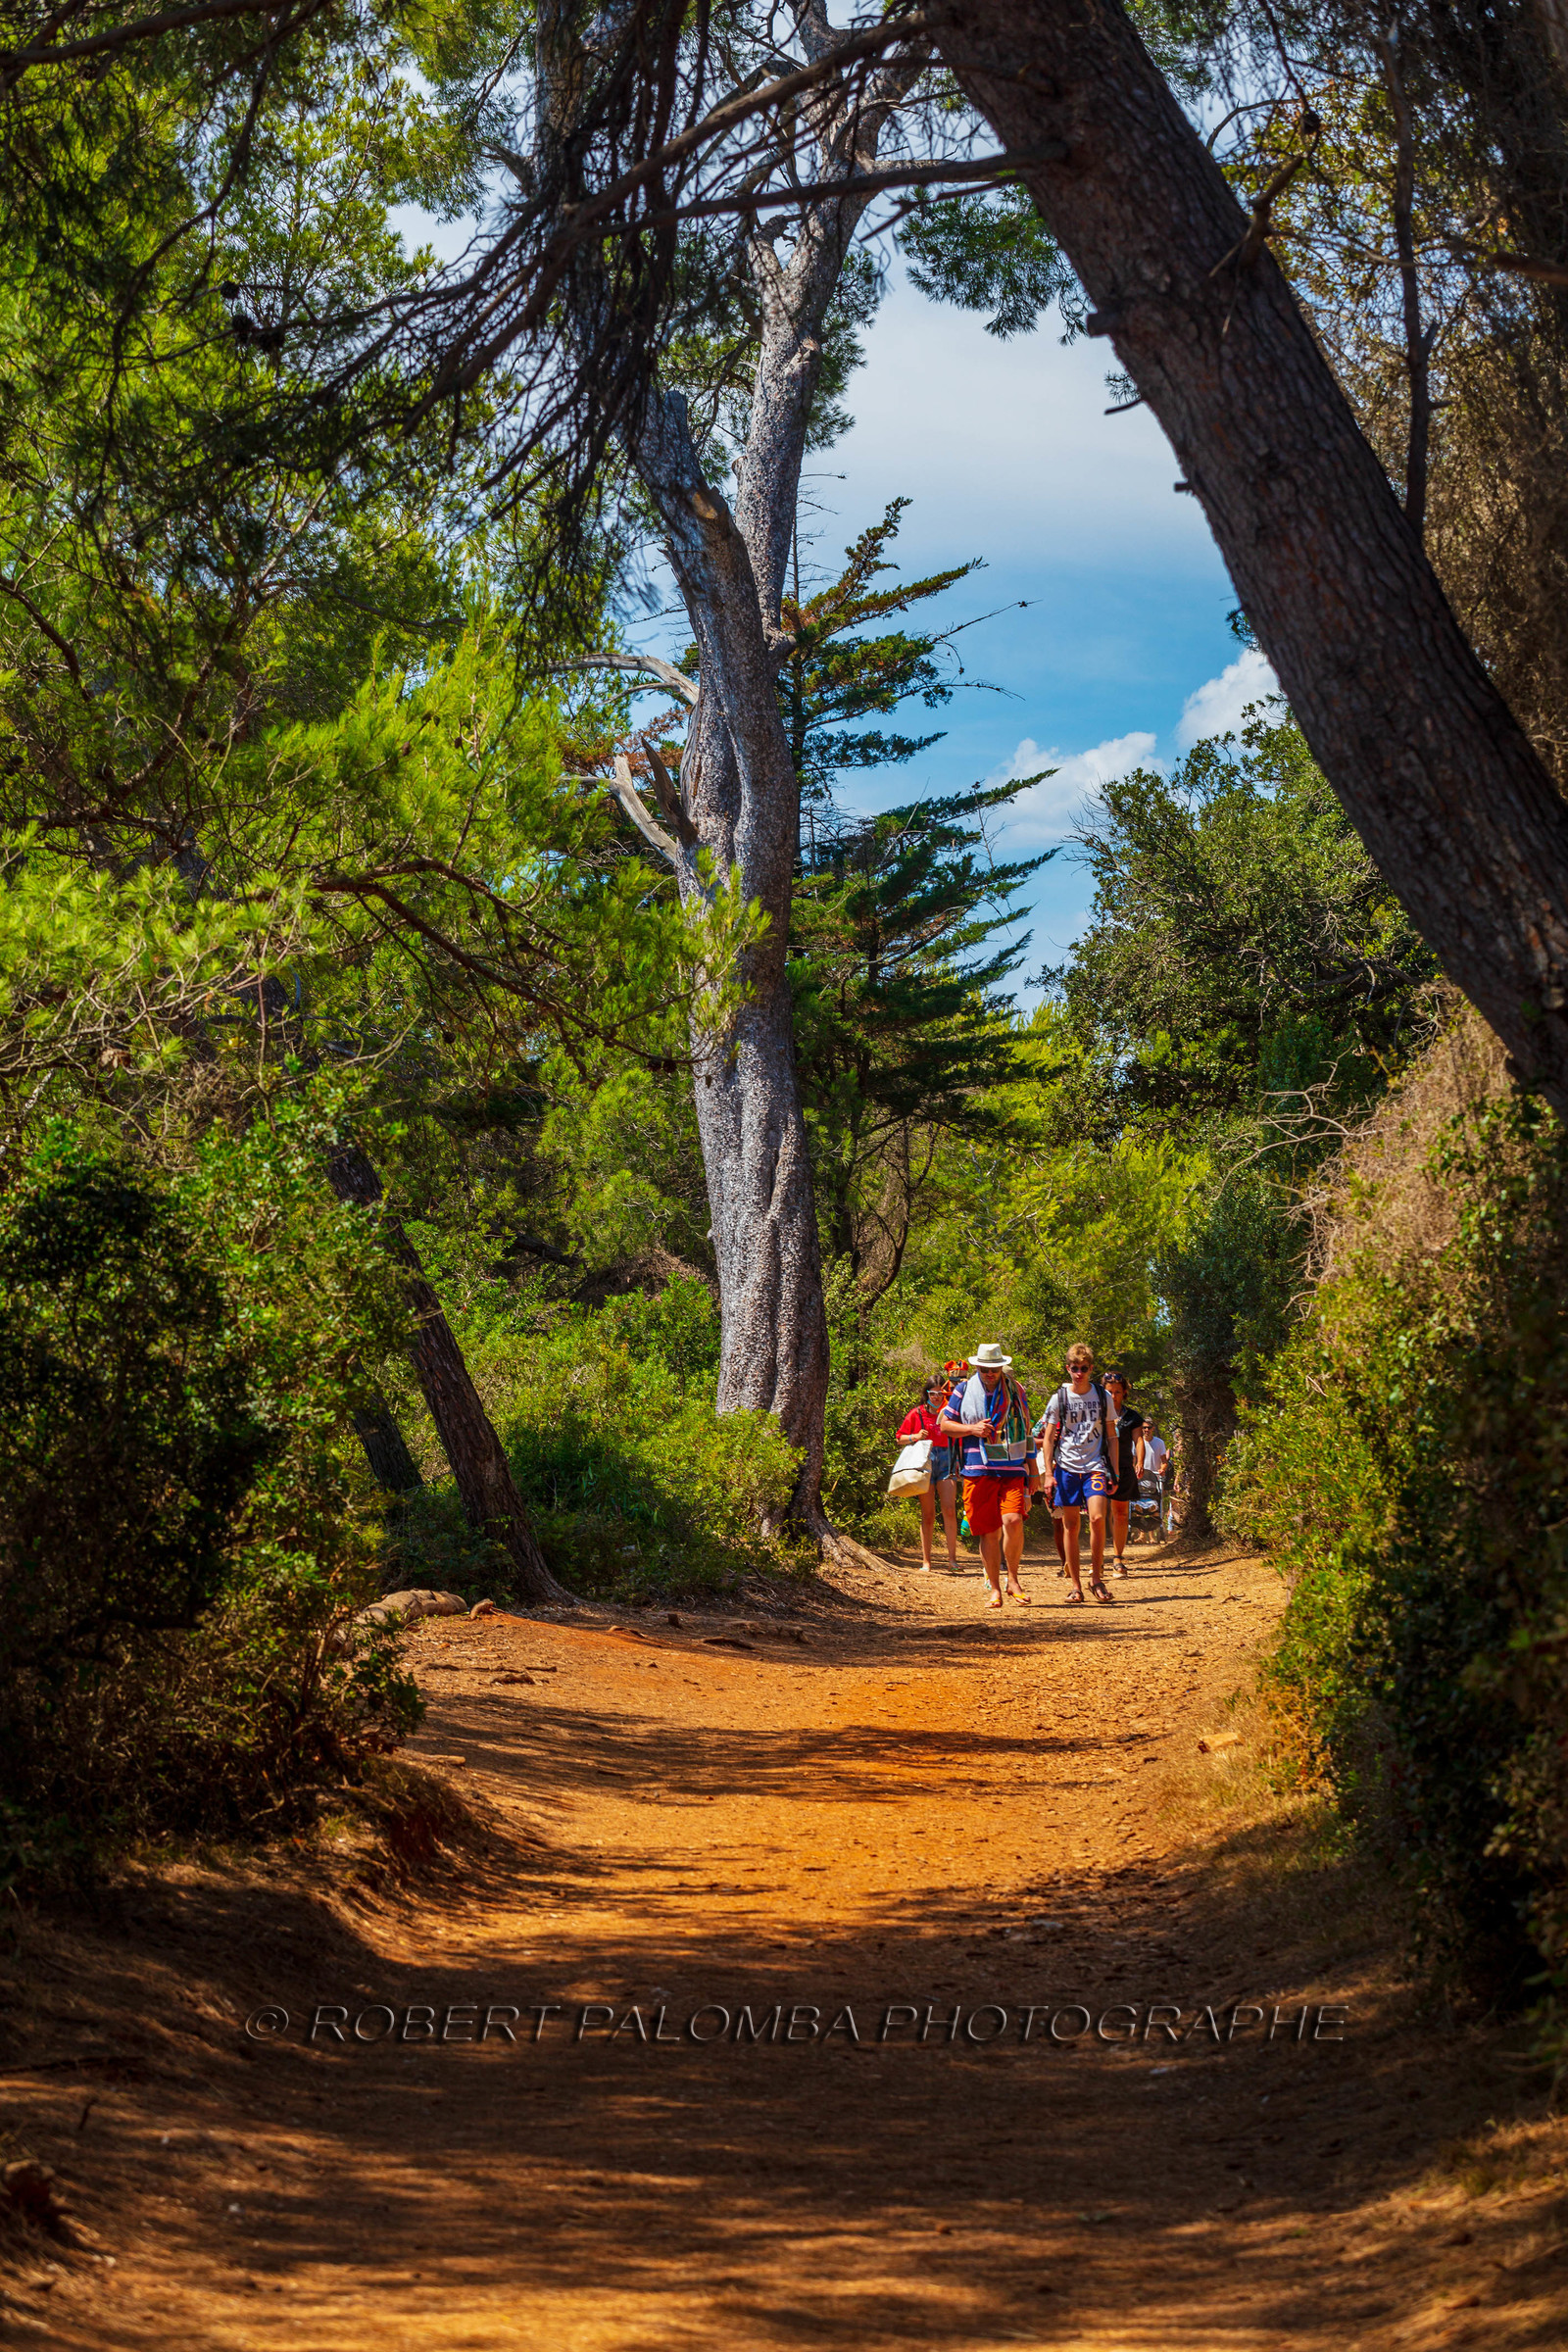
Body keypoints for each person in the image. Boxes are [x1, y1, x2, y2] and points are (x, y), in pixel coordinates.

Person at [939, 1343, 1037, 1609]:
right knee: (989, 1531)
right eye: (984, 1369)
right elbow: (945, 1425)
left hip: (1013, 1466)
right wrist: (971, 1429)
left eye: (994, 1369)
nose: (989, 1373)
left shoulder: (1016, 1391)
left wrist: (1034, 1470)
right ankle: (995, 1588)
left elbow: (1027, 1430)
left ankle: (1013, 1579)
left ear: (1001, 1367)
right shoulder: (963, 1389)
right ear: (977, 1367)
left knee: (1014, 1520)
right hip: (977, 1467)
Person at [1037, 1342, 1118, 1605]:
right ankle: (1075, 1585)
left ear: (1091, 1369)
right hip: (1067, 1467)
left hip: (1095, 1465)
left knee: (1097, 1518)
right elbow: (1048, 1438)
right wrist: (1048, 1473)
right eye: (1075, 1368)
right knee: (1070, 1525)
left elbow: (1112, 1436)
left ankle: (1096, 1578)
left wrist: (1115, 1471)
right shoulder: (1059, 1398)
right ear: (1068, 1369)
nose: (1079, 1373)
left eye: (1084, 1368)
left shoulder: (1102, 1396)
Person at [895, 1375, 960, 1572]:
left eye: (941, 1393)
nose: (937, 1397)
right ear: (927, 1394)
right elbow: (899, 1438)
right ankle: (926, 1561)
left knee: (949, 1509)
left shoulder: (950, 1414)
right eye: (933, 1393)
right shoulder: (916, 1414)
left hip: (947, 1460)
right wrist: (914, 1436)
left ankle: (952, 1560)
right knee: (928, 1513)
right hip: (925, 1461)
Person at [1104, 1370, 1144, 1578]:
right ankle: (1096, 1560)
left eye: (1117, 1392)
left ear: (1125, 1392)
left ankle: (1118, 1557)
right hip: (1100, 1468)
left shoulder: (1132, 1417)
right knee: (1098, 1515)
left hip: (1124, 1468)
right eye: (1109, 1392)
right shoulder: (1097, 1414)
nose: (1113, 1396)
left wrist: (1140, 1461)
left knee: (1120, 1514)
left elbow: (1138, 1441)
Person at [1140, 1418, 1170, 1537]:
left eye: (1148, 1427)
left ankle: (1153, 1535)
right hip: (1140, 1479)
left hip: (1155, 1479)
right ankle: (1141, 1535)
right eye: (1144, 1427)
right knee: (1139, 1505)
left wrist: (1162, 1469)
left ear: (1153, 1429)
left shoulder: (1159, 1443)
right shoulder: (1137, 1442)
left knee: (1154, 1505)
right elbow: (1133, 1460)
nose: (1146, 1430)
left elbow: (1164, 1461)